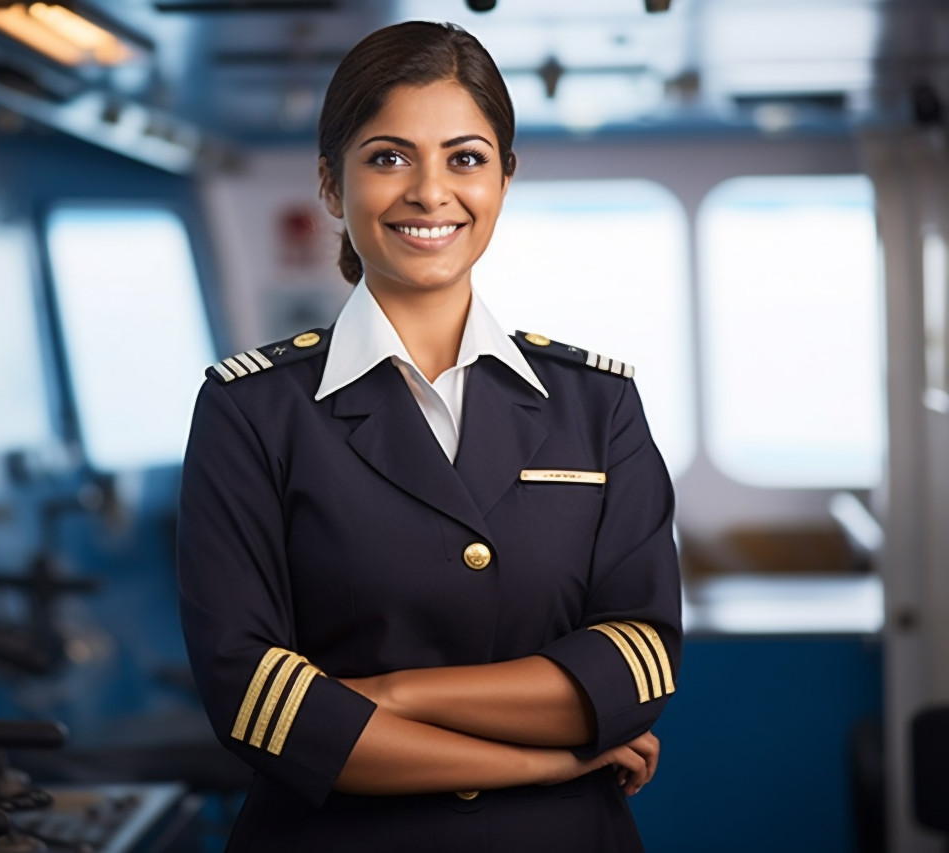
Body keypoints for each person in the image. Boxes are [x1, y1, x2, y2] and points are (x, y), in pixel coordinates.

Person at [177, 20, 681, 853]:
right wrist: (549, 763)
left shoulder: (599, 405)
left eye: (465, 157)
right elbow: (257, 701)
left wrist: (392, 692)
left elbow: (635, 664)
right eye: (388, 157)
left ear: (504, 181)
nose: (429, 191)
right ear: (332, 188)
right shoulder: (250, 411)